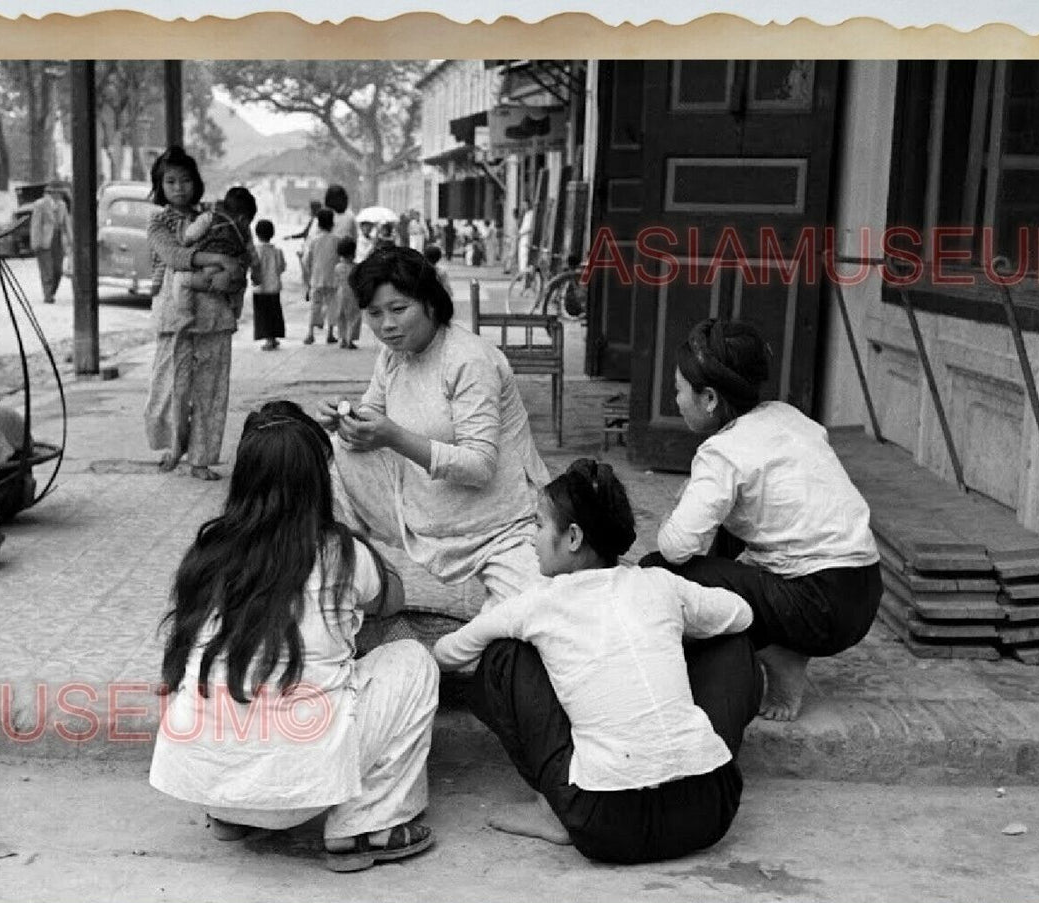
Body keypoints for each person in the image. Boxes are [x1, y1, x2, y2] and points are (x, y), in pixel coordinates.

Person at [150, 401, 438, 874]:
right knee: (412, 661)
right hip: (302, 790)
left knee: (216, 669)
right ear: (318, 483)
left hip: (206, 783)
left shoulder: (206, 552)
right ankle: (366, 827)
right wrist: (346, 523)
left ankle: (231, 817)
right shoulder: (340, 554)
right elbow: (392, 600)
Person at [433, 459, 761, 864]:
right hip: (711, 810)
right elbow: (742, 612)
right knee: (731, 641)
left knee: (504, 656)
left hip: (606, 825)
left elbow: (448, 653)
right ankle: (698, 752)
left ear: (572, 537)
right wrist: (666, 634)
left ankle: (550, 808)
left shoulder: (537, 604)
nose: (531, 539)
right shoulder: (659, 584)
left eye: (537, 525)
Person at [639, 319, 883, 721]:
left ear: (711, 399)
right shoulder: (787, 416)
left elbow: (676, 547)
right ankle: (767, 643)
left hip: (819, 607)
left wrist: (673, 512)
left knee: (656, 574)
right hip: (863, 592)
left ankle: (775, 656)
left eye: (680, 390)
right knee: (723, 531)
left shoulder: (723, 453)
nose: (676, 400)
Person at [314, 246, 550, 607]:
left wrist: (394, 436)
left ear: (430, 303)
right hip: (427, 506)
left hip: (501, 521)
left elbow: (480, 466)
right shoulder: (392, 355)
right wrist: (346, 422)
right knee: (321, 458)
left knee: (529, 616)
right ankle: (350, 578)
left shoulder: (469, 360)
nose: (386, 325)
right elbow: (371, 416)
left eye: (398, 309)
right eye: (374, 313)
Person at [142, 146, 247, 481]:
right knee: (168, 390)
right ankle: (173, 447)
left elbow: (240, 259)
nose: (178, 188)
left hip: (215, 317)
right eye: (170, 181)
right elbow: (173, 257)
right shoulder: (158, 222)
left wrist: (230, 271)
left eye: (185, 180)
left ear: (196, 183)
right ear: (160, 185)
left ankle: (200, 459)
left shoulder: (216, 218)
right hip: (174, 319)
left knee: (210, 393)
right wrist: (218, 261)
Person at [173, 185, 256, 337]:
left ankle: (185, 314)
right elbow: (252, 256)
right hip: (230, 279)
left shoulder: (209, 217)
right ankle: (235, 313)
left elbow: (190, 236)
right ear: (243, 218)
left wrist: (185, 240)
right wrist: (255, 273)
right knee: (242, 285)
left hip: (206, 274)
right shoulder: (245, 233)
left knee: (181, 279)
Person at [302, 207, 339, 345]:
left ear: (318, 224)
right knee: (331, 306)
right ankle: (330, 334)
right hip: (332, 279)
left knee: (315, 306)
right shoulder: (337, 240)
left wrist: (309, 275)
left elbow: (306, 260)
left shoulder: (313, 240)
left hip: (316, 279)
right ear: (332, 223)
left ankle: (310, 334)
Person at [29, 184, 71, 304]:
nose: (61, 195)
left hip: (58, 240)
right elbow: (35, 225)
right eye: (58, 193)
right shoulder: (40, 204)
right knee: (47, 270)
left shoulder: (62, 205)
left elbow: (66, 223)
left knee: (58, 270)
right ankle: (48, 295)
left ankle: (51, 291)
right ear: (51, 193)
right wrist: (35, 243)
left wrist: (71, 241)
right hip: (44, 241)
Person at [250, 219, 287, 351]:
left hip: (260, 289)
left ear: (256, 234)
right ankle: (274, 337)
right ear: (272, 233)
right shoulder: (277, 251)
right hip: (274, 287)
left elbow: (252, 267)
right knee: (275, 313)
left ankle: (268, 340)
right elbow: (282, 267)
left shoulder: (255, 251)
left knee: (263, 316)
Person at [331, 237, 361, 350]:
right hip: (353, 295)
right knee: (353, 317)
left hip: (340, 294)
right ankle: (350, 339)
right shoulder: (356, 267)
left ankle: (342, 339)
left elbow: (335, 281)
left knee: (341, 317)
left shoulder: (337, 267)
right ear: (353, 253)